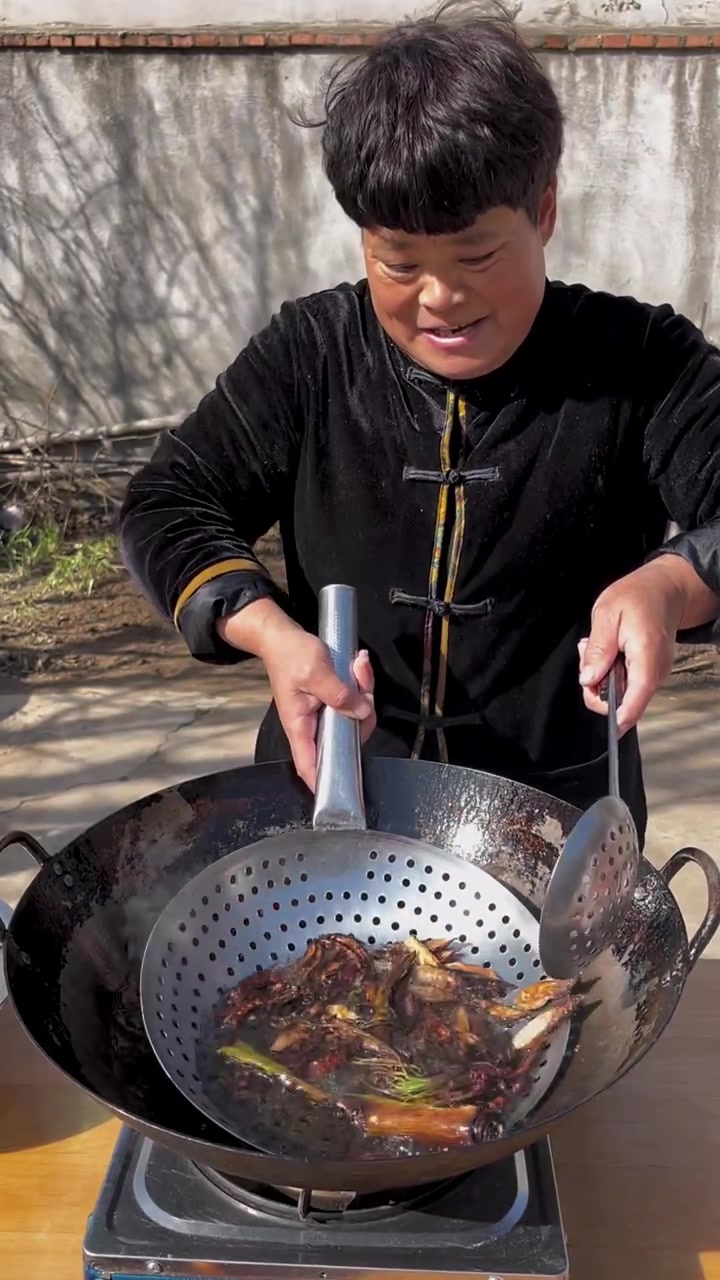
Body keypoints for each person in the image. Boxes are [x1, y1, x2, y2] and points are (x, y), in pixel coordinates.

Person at [119, 1, 720, 845]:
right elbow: (165, 501)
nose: (441, 298)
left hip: (554, 833)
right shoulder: (313, 351)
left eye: (477, 256)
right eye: (398, 263)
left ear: (544, 210)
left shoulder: (640, 359)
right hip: (330, 798)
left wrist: (672, 583)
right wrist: (269, 633)